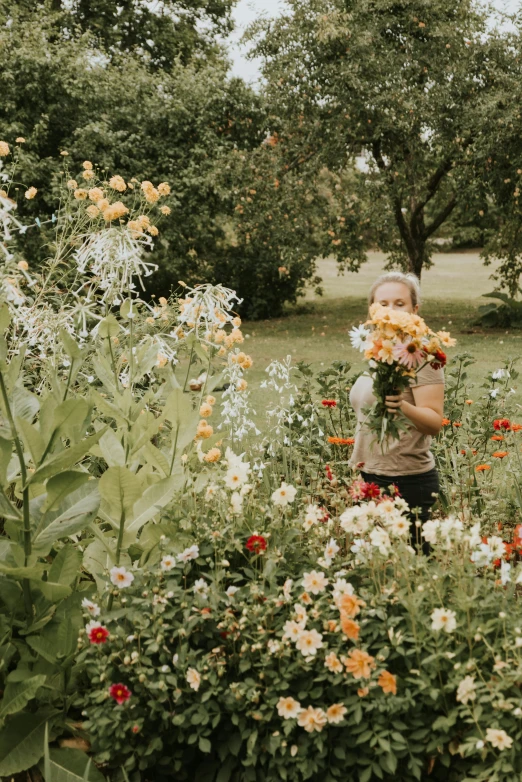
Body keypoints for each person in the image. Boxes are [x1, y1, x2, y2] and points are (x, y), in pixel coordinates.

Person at [349, 271, 444, 549]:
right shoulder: (378, 350)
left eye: (400, 304)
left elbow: (434, 422)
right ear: (372, 310)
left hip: (406, 482)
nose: (391, 310)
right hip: (369, 476)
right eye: (383, 303)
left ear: (415, 310)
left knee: (413, 576)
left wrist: (402, 406)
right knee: (376, 574)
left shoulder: (423, 355)